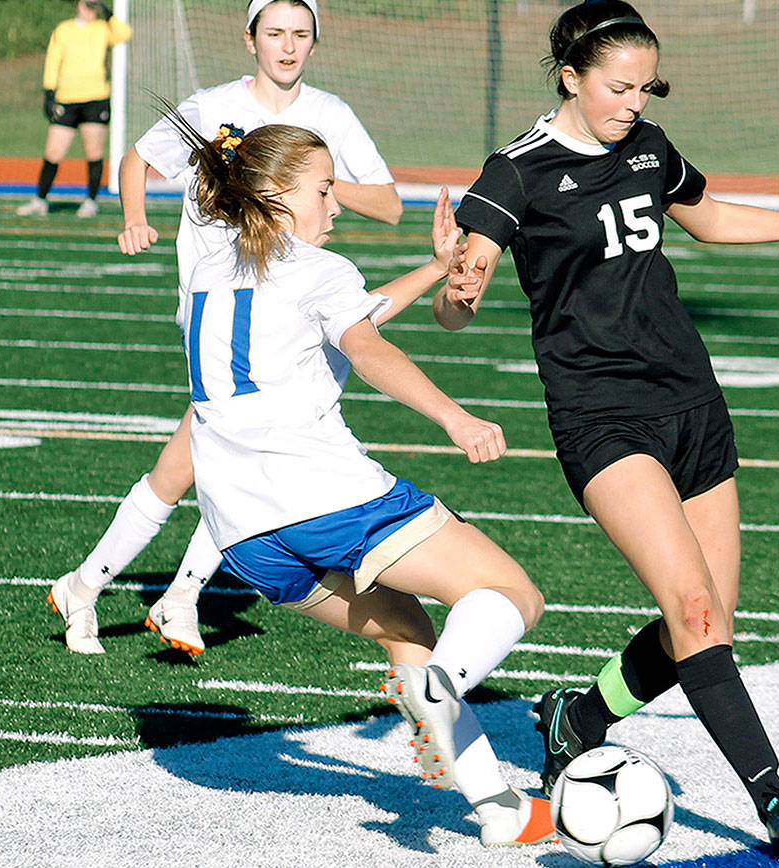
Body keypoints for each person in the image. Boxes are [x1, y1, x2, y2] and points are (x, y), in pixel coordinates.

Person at [441, 1, 779, 859]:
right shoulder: (518, 171)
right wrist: (457, 296)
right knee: (690, 607)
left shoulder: (649, 145)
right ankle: (774, 799)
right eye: (618, 87)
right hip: (600, 416)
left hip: (693, 403)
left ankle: (578, 717)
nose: (634, 103)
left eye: (646, 87)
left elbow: (711, 214)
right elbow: (459, 294)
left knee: (710, 623)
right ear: (571, 76)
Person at [155, 109, 554, 847]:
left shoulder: (209, 270)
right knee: (511, 595)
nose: (337, 207)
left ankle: (497, 808)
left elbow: (337, 314)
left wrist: (436, 268)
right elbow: (363, 345)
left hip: (242, 532)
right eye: (326, 191)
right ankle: (443, 689)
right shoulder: (317, 270)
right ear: (276, 194)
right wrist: (455, 418)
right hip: (325, 497)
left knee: (410, 629)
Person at [48, 0, 403, 657]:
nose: (288, 47)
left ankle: (133, 591)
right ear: (250, 40)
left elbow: (387, 204)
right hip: (220, 315)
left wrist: (304, 182)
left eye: (301, 35)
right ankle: (113, 588)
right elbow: (137, 162)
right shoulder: (212, 109)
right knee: (209, 461)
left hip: (290, 304)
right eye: (276, 34)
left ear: (315, 44)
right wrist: (134, 217)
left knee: (227, 459)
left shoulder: (329, 116)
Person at [16, 1, 132, 218]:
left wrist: (108, 15)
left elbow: (125, 34)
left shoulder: (102, 28)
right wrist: (49, 92)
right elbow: (53, 60)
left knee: (94, 152)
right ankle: (40, 199)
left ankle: (91, 201)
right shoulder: (64, 29)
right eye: (86, 5)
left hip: (95, 99)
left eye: (93, 6)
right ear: (79, 5)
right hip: (67, 99)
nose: (89, 10)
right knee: (53, 151)